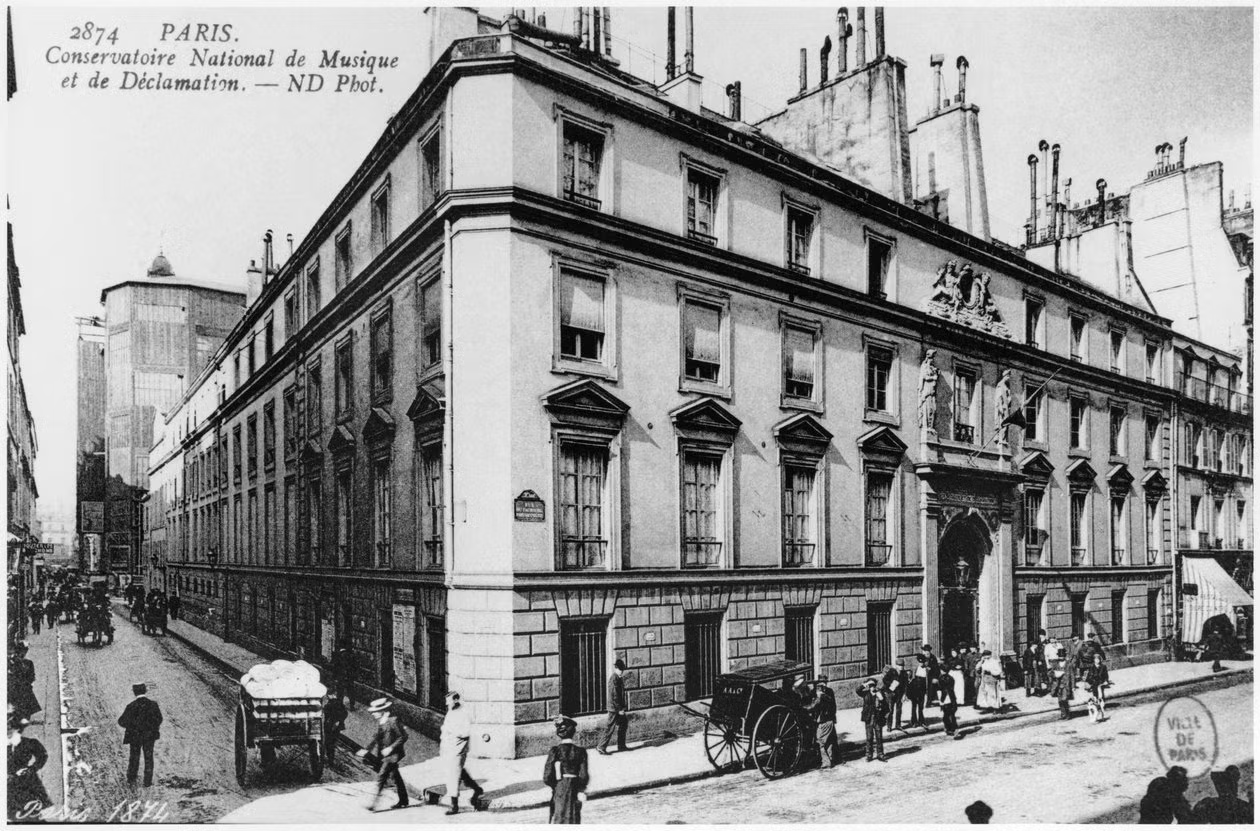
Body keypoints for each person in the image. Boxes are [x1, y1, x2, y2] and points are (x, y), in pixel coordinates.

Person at [358, 697, 410, 812]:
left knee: (382, 776)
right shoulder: (382, 721)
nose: (373, 714)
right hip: (386, 755)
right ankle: (404, 800)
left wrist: (390, 748)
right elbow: (376, 737)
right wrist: (367, 750)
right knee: (396, 776)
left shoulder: (393, 721)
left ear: (382, 711)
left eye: (375, 712)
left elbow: (403, 736)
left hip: (393, 754)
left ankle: (373, 804)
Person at [436, 691, 484, 815]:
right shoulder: (451, 712)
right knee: (458, 772)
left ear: (456, 700)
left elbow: (466, 732)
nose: (447, 704)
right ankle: (477, 789)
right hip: (449, 748)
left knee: (453, 776)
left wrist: (452, 732)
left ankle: (454, 806)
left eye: (449, 701)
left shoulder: (463, 713)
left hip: (458, 749)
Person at [543, 715, 589, 824]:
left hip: (559, 788)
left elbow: (547, 776)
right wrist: (580, 788)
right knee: (573, 817)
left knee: (559, 817)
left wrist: (556, 785)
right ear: (573, 732)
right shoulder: (581, 751)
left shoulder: (555, 751)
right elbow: (583, 776)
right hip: (574, 788)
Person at [117, 683, 163, 786]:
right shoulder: (153, 705)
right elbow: (159, 719)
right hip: (149, 736)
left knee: (134, 757)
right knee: (149, 757)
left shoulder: (131, 706)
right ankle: (147, 781)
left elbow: (121, 721)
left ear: (134, 692)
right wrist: (151, 728)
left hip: (135, 736)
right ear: (145, 690)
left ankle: (131, 778)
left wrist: (132, 726)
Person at [8, 712, 50, 821]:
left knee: (32, 815)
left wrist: (31, 769)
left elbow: (42, 755)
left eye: (10, 729)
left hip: (26, 782)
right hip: (8, 786)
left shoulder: (28, 743)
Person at [597, 657, 629, 755]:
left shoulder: (618, 678)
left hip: (617, 708)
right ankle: (601, 746)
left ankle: (621, 746)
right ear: (616, 668)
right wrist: (619, 709)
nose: (621, 671)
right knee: (610, 727)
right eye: (620, 669)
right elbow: (614, 695)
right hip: (614, 708)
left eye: (622, 670)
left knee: (623, 723)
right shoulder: (614, 678)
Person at [854, 679, 888, 762]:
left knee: (879, 737)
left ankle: (880, 754)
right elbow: (857, 690)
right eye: (870, 686)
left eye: (873, 686)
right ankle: (869, 755)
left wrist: (881, 699)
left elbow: (886, 706)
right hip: (868, 718)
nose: (872, 687)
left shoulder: (879, 693)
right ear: (868, 687)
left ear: (875, 686)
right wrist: (865, 684)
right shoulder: (865, 694)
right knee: (869, 737)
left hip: (877, 718)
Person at [810, 679, 840, 768]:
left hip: (824, 721)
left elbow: (812, 706)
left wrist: (803, 707)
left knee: (820, 742)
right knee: (829, 741)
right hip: (828, 720)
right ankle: (831, 759)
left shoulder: (821, 696)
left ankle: (826, 762)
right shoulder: (827, 695)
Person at [7, 645, 40, 723]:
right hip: (18, 686)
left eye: (24, 652)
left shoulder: (28, 662)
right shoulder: (14, 662)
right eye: (21, 652)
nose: (22, 654)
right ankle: (21, 717)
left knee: (24, 700)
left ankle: (22, 717)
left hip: (22, 686)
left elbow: (32, 676)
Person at [881, 661, 907, 732]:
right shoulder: (891, 671)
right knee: (890, 710)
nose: (901, 667)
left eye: (902, 666)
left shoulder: (904, 673)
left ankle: (898, 725)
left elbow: (905, 685)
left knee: (899, 710)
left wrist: (904, 694)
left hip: (899, 694)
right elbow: (885, 680)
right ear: (896, 666)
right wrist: (891, 684)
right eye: (900, 665)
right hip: (891, 693)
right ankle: (889, 726)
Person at [1050, 647, 1075, 720]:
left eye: (1062, 656)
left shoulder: (1069, 664)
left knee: (1064, 699)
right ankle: (1063, 714)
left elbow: (1072, 676)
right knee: (1060, 700)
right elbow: (1050, 673)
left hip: (1066, 685)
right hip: (1057, 685)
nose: (1061, 658)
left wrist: (1073, 686)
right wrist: (1055, 674)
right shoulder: (1055, 664)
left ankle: (1068, 714)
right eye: (1060, 656)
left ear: (1065, 656)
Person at [322, 695, 348, 765]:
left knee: (328, 744)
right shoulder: (340, 704)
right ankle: (330, 760)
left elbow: (326, 715)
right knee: (331, 744)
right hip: (335, 728)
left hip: (330, 728)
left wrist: (336, 722)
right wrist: (340, 721)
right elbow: (345, 713)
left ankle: (327, 759)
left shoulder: (329, 705)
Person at [332, 643, 357, 709]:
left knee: (340, 691)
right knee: (350, 691)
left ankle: (340, 705)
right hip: (349, 676)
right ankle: (352, 705)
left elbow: (335, 667)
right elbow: (355, 666)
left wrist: (334, 677)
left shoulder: (338, 656)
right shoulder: (351, 655)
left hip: (341, 676)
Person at [907, 655, 928, 728]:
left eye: (922, 662)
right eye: (920, 662)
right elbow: (909, 678)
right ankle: (913, 721)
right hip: (915, 689)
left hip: (922, 690)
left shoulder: (926, 670)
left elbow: (927, 681)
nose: (921, 664)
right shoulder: (914, 669)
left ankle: (921, 721)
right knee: (914, 706)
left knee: (921, 706)